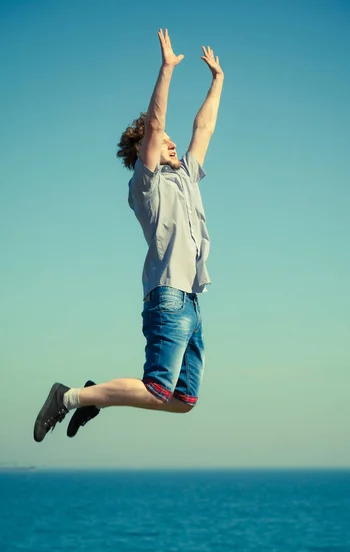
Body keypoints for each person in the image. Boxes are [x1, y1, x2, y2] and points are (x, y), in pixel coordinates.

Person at [33, 29, 224, 443]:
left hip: (191, 299)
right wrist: (167, 71)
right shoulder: (146, 186)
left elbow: (204, 129)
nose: (174, 145)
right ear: (146, 154)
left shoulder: (186, 176)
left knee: (184, 399)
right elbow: (155, 126)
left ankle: (91, 397)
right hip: (167, 296)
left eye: (173, 142)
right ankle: (68, 397)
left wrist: (218, 82)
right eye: (165, 143)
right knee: (157, 388)